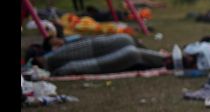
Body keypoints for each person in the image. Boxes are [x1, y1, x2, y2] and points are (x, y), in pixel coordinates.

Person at [24, 33, 176, 76]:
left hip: (96, 49)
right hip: (98, 61)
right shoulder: (56, 63)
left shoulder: (59, 50)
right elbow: (71, 67)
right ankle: (168, 60)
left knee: (125, 39)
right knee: (131, 53)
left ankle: (166, 58)